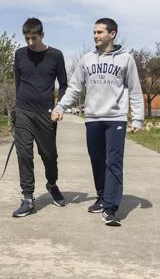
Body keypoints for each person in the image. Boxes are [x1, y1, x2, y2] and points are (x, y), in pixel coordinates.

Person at [51, 18, 143, 226]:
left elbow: (135, 89)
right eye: (94, 32)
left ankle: (110, 208)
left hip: (115, 119)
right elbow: (74, 87)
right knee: (97, 160)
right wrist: (60, 107)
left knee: (114, 162)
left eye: (100, 32)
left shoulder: (126, 59)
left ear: (112, 34)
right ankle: (102, 197)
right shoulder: (86, 60)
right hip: (93, 118)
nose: (96, 36)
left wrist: (137, 117)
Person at [12, 18, 68, 218]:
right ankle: (28, 198)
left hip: (46, 114)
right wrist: (17, 110)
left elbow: (63, 85)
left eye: (33, 38)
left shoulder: (55, 55)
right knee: (24, 154)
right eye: (26, 38)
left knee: (49, 157)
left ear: (42, 35)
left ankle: (52, 184)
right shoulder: (19, 54)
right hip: (24, 112)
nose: (29, 42)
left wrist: (59, 107)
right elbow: (18, 82)